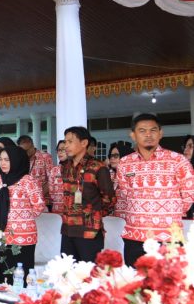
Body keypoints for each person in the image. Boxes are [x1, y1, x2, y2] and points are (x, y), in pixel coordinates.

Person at [116, 113, 194, 266]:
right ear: (133, 135)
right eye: (142, 131)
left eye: (153, 130)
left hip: (169, 239)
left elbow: (189, 194)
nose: (148, 135)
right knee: (135, 285)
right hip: (134, 238)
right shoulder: (125, 163)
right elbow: (124, 194)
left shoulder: (177, 160)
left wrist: (168, 213)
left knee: (167, 286)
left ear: (160, 133)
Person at [54, 127, 115, 263]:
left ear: (84, 143)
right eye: (65, 142)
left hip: (89, 231)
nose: (66, 146)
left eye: (70, 142)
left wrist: (93, 214)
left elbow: (109, 198)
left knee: (89, 276)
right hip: (68, 230)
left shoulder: (98, 167)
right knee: (67, 273)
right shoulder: (65, 167)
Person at [0, 146, 45, 284]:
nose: (3, 163)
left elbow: (39, 205)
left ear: (16, 160)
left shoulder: (27, 180)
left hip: (23, 236)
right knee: (1, 272)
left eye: (7, 160)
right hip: (0, 234)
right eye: (1, 159)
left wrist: (21, 217)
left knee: (21, 274)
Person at [17, 135, 52, 204]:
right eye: (22, 151)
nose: (25, 153)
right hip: (26, 201)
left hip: (43, 200)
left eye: (26, 150)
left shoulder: (45, 157)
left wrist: (37, 195)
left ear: (32, 145)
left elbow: (51, 180)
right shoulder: (20, 159)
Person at [48, 140, 67, 214]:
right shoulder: (54, 170)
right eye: (58, 150)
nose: (60, 152)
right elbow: (51, 192)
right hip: (57, 211)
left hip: (74, 212)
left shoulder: (78, 169)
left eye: (63, 150)